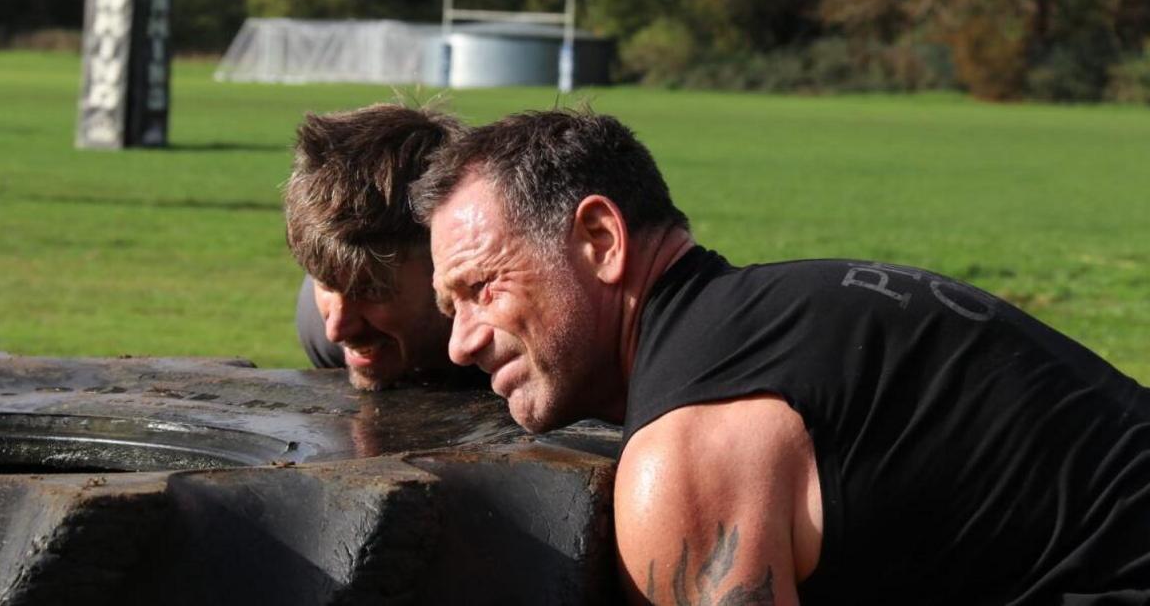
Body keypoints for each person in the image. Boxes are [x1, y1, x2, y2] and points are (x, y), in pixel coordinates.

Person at [410, 108, 1150, 605]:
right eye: (449, 307)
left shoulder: (690, 450)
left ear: (600, 240)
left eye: (481, 287)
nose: (461, 340)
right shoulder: (777, 313)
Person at [284, 103, 473, 391]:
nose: (337, 329)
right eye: (325, 283)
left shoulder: (526, 337)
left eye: (371, 291)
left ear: (452, 270)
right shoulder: (319, 330)